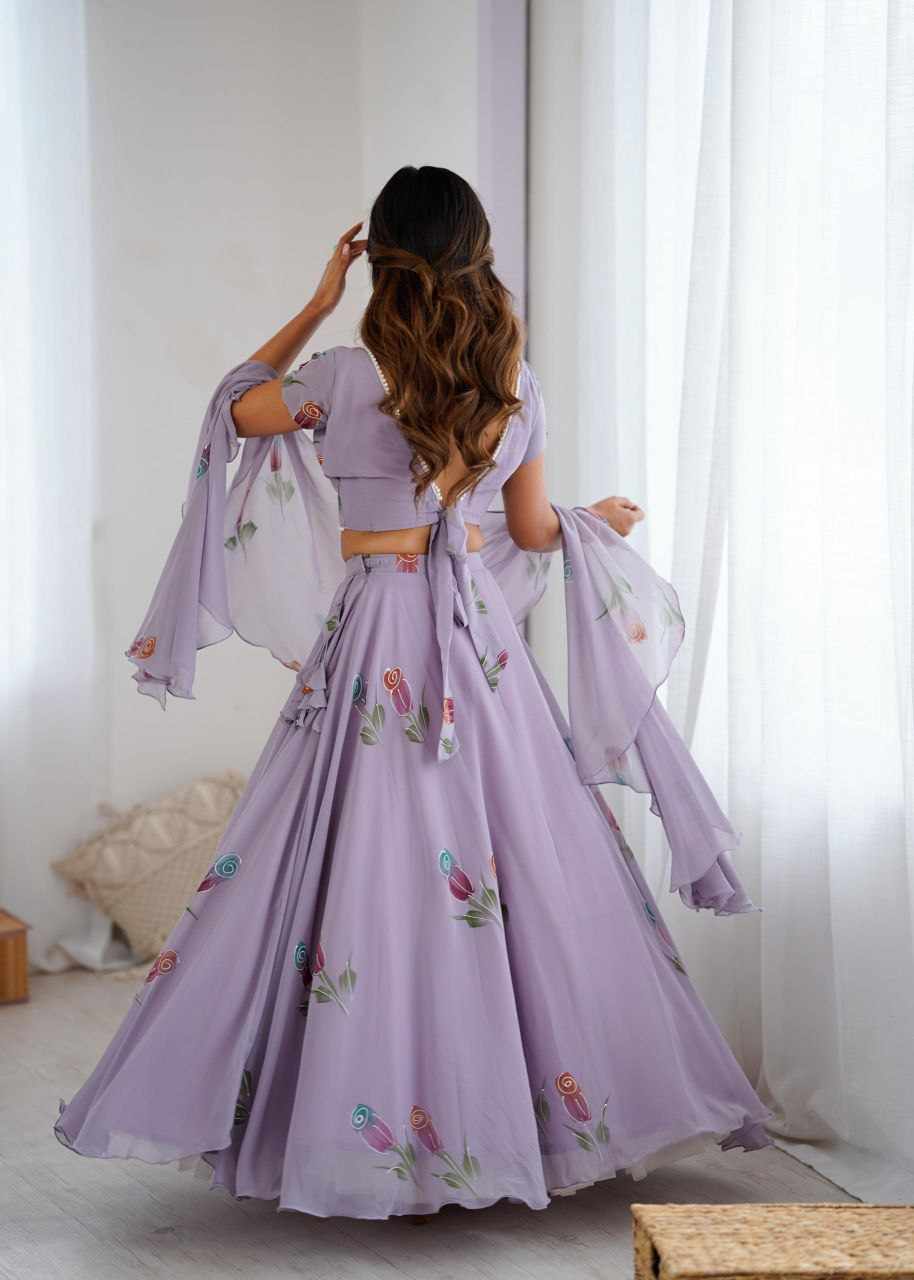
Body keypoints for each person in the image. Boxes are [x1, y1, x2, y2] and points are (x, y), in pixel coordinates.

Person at [53, 166, 774, 1220]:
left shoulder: (340, 377)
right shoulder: (512, 383)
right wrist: (597, 523)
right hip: (475, 644)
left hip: (372, 635)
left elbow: (235, 405)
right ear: (478, 257)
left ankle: (364, 1125)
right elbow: (531, 532)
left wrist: (316, 298)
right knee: (512, 856)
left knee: (351, 857)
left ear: (379, 262)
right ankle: (513, 1123)